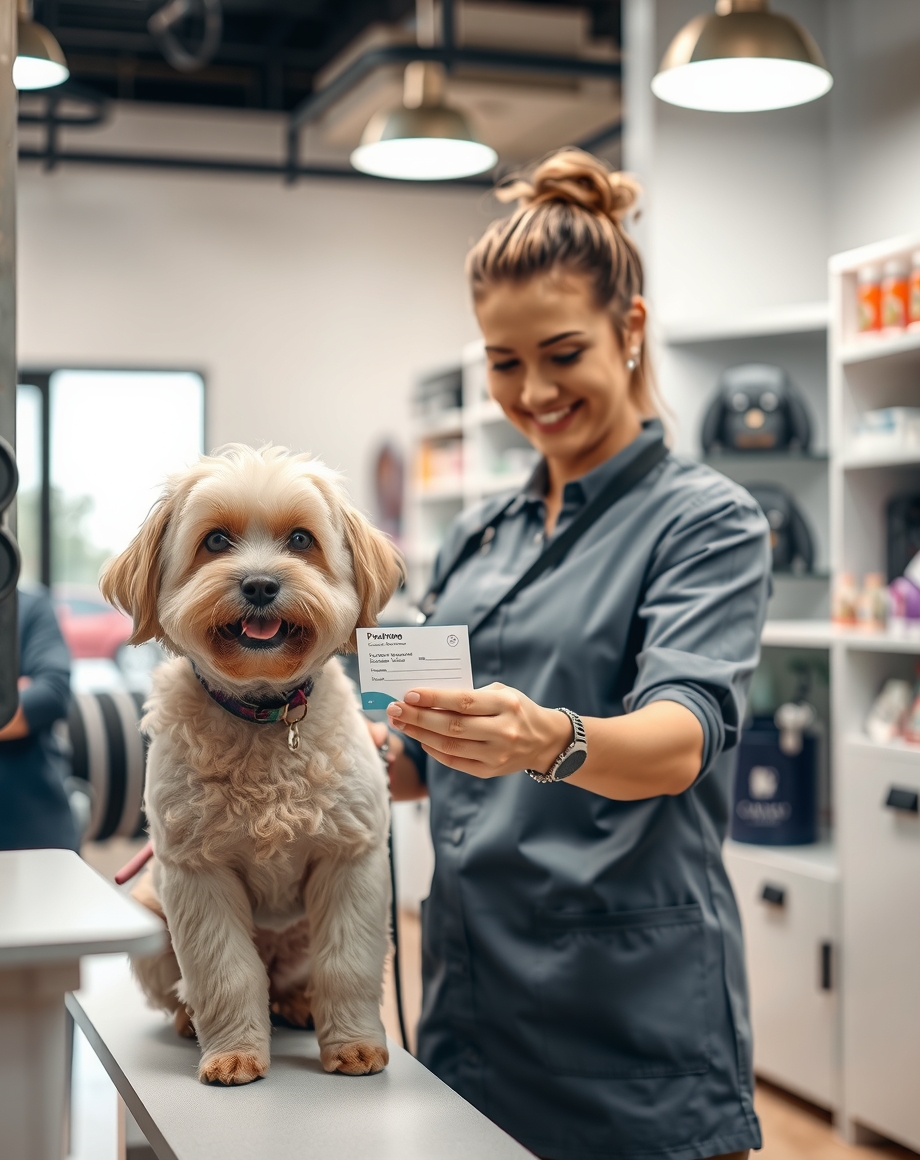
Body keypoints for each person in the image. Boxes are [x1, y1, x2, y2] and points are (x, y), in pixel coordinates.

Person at [382, 150, 770, 1160]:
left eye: (561, 352)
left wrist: (544, 737)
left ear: (628, 328)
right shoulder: (476, 537)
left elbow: (678, 738)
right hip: (470, 998)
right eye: (503, 363)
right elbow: (424, 761)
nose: (533, 390)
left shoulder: (706, 521)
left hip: (627, 1019)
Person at [0, 587, 79, 851]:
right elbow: (11, 708)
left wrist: (11, 706)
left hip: (29, 825)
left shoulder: (30, 607)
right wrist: (10, 695)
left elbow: (50, 695)